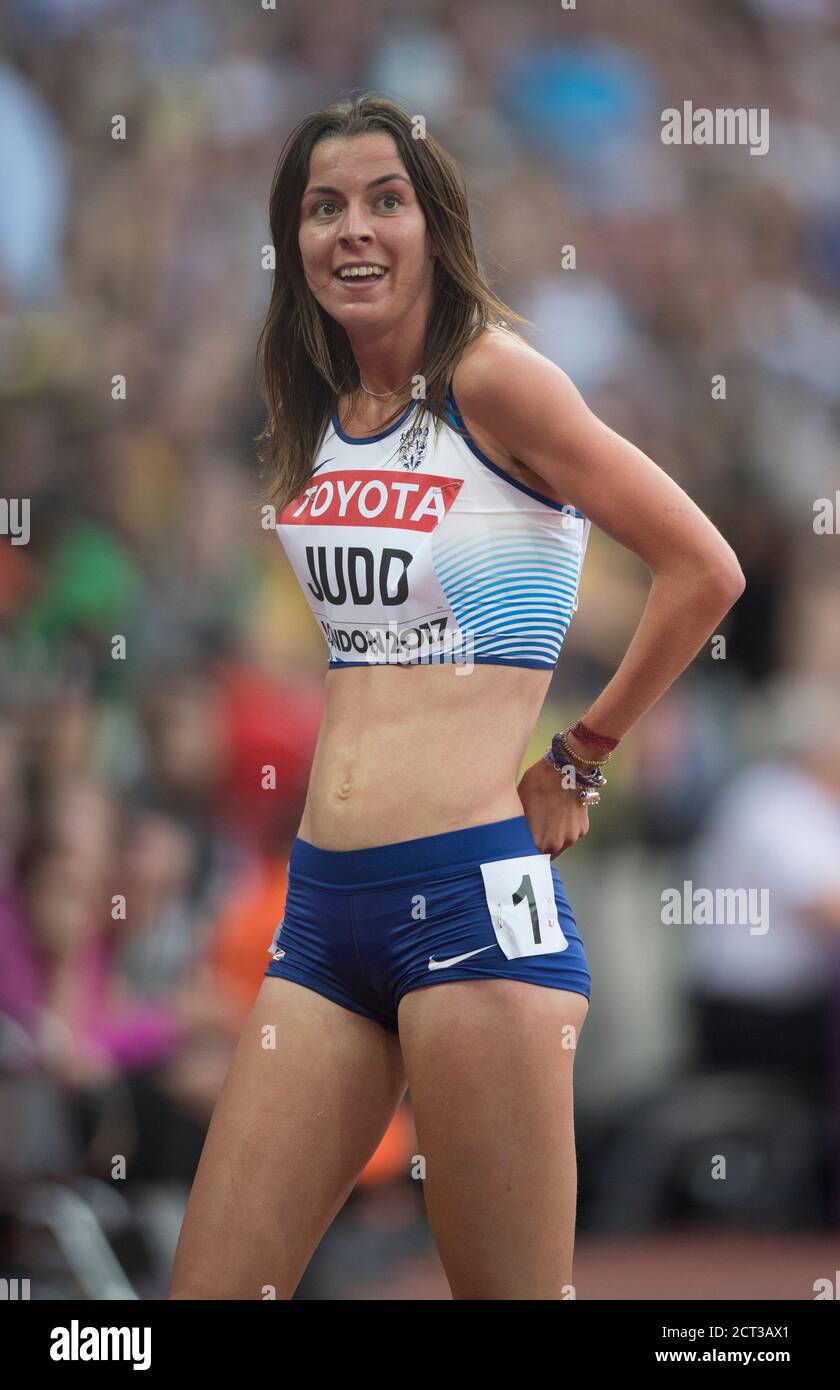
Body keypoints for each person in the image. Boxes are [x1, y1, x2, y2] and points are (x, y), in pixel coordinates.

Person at [169, 94, 744, 1301]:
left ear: (437, 227)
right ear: (295, 240)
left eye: (387, 200)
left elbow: (705, 568)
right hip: (322, 914)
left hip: (475, 910)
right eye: (324, 208)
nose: (354, 230)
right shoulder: (323, 414)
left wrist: (583, 751)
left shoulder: (497, 379)